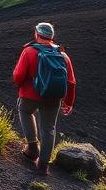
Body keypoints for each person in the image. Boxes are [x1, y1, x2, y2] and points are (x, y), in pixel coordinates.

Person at [12, 21, 76, 175]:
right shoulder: (63, 54)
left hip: (30, 95)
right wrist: (68, 102)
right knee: (49, 129)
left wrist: (21, 86)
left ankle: (32, 148)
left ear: (37, 34)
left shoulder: (29, 51)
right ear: (52, 37)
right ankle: (43, 166)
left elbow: (18, 76)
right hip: (53, 98)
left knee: (25, 111)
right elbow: (71, 82)